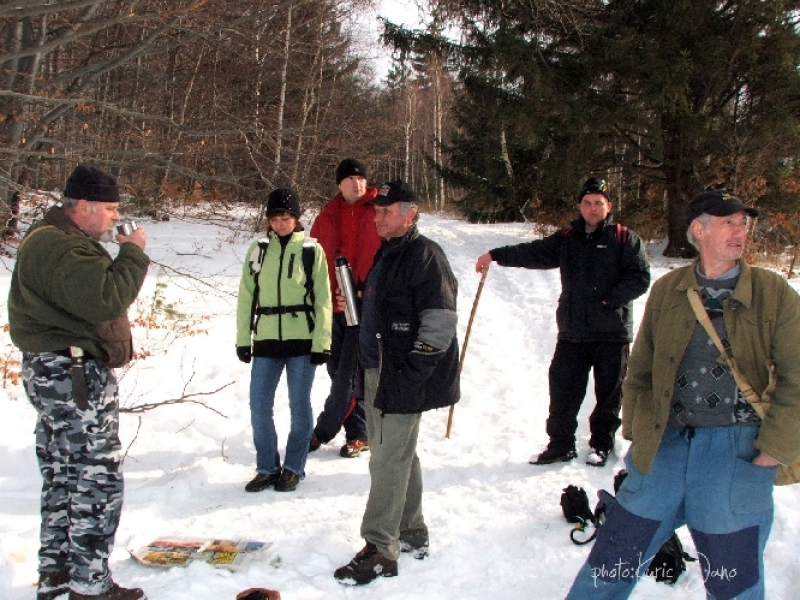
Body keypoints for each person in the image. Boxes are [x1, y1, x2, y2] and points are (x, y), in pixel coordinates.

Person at [566, 190, 800, 599]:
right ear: (698, 229)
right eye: (729, 222)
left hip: (735, 455)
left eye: (744, 223)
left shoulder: (773, 291)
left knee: (734, 583)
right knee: (610, 565)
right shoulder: (669, 289)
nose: (740, 231)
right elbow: (640, 369)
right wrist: (640, 436)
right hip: (665, 449)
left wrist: (770, 456)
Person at [8, 165, 150, 600]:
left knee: (63, 477)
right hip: (72, 376)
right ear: (83, 206)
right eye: (108, 209)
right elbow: (104, 298)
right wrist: (133, 254)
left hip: (53, 372)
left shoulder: (48, 239)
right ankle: (89, 585)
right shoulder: (63, 248)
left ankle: (58, 575)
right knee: (95, 479)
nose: (113, 218)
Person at [334, 180, 460, 586]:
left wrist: (413, 375)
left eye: (387, 212)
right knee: (401, 454)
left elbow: (439, 322)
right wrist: (357, 296)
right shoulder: (388, 253)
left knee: (386, 459)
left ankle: (380, 549)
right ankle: (411, 532)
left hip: (402, 376)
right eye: (377, 211)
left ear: (411, 213)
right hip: (377, 370)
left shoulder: (425, 255)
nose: (378, 218)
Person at [475, 177, 650, 467]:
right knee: (563, 390)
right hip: (573, 331)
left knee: (608, 394)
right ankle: (561, 444)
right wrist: (496, 255)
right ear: (580, 206)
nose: (592, 209)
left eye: (598, 203)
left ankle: (601, 444)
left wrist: (610, 301)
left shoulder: (623, 238)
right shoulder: (569, 237)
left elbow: (640, 277)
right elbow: (535, 252)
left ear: (609, 206)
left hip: (611, 333)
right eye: (587, 203)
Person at [236, 188, 332, 493]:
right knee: (259, 405)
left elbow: (323, 300)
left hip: (302, 340)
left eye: (286, 217)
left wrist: (322, 342)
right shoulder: (258, 250)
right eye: (275, 218)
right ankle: (267, 467)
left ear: (296, 218)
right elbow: (246, 297)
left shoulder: (310, 251)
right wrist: (243, 338)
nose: (280, 223)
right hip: (266, 339)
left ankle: (293, 467)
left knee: (299, 405)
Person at [308, 158, 382, 458]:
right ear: (339, 184)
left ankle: (350, 432)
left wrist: (368, 292)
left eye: (361, 178)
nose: (357, 183)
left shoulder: (379, 211)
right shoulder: (327, 216)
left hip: (366, 305)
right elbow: (312, 262)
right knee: (337, 368)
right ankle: (356, 431)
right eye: (350, 178)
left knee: (354, 373)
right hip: (332, 307)